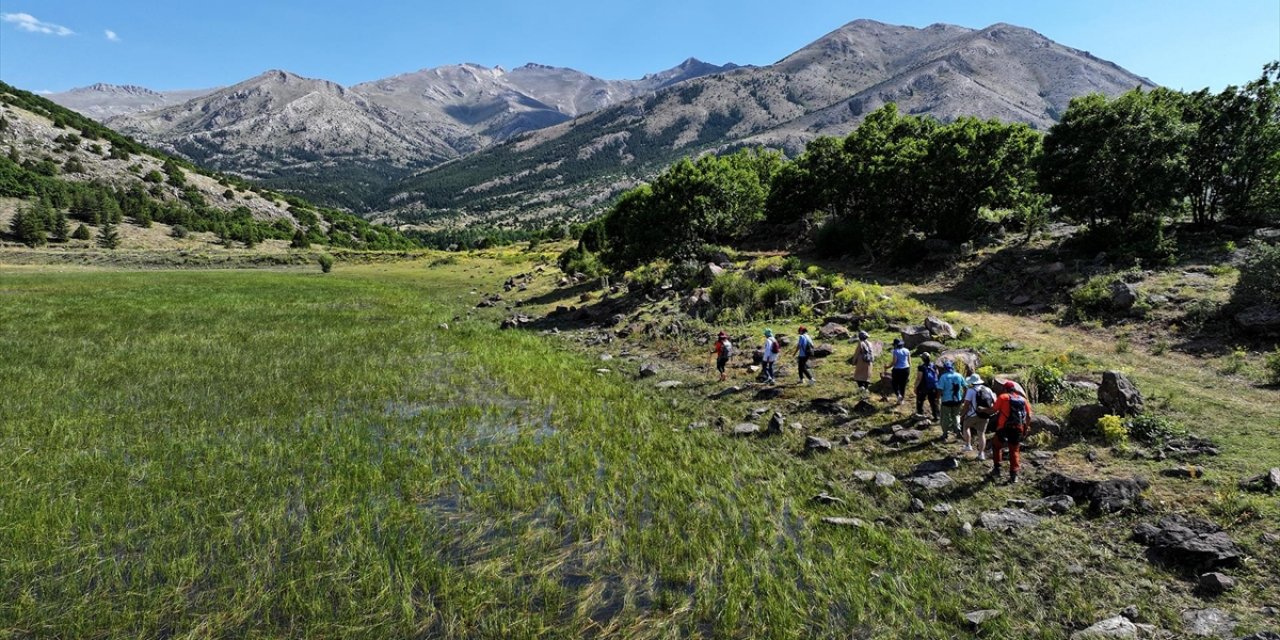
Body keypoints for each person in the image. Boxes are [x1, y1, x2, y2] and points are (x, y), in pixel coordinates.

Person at [988, 380, 1033, 484]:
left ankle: (997, 469)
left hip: (1003, 428)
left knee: (996, 446)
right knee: (1014, 451)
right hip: (1018, 428)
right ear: (1015, 389)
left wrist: (982, 410)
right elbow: (1029, 416)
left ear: (1005, 389)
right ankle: (1014, 475)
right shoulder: (1023, 399)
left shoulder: (1003, 397)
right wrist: (1025, 428)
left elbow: (993, 410)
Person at [959, 373, 997, 458]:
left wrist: (962, 415)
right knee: (981, 434)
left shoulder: (971, 390)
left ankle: (968, 445)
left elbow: (966, 405)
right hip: (985, 415)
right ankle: (981, 454)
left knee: (965, 427)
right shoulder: (988, 389)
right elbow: (995, 402)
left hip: (972, 415)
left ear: (972, 382)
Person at [937, 360, 966, 442]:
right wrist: (963, 397)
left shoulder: (943, 377)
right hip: (957, 400)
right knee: (956, 415)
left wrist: (937, 398)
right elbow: (965, 387)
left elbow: (940, 389)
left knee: (945, 417)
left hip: (946, 400)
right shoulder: (959, 375)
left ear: (945, 368)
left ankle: (945, 434)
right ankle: (958, 430)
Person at [915, 353, 940, 419]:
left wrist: (915, 387)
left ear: (923, 359)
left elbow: (919, 378)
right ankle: (936, 415)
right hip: (933, 386)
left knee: (920, 401)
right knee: (933, 402)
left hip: (923, 387)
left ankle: (920, 414)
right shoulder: (934, 365)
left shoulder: (921, 367)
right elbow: (937, 374)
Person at [888, 338, 911, 404]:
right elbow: (909, 361)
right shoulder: (907, 350)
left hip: (897, 370)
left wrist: (888, 366)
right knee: (903, 385)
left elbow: (894, 362)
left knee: (894, 383)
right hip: (906, 369)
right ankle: (901, 400)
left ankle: (898, 395)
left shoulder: (895, 351)